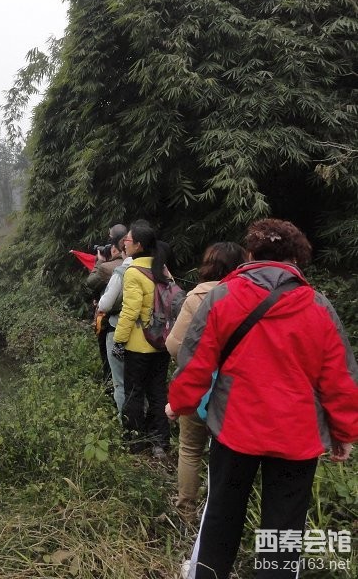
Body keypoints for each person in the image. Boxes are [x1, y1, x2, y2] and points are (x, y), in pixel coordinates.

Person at [166, 219, 358, 579]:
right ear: (297, 260)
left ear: (251, 254)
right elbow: (340, 380)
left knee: (222, 514)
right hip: (296, 436)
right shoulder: (318, 307)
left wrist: (180, 404)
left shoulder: (223, 296)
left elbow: (196, 361)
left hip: (234, 429)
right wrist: (344, 433)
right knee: (283, 532)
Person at [164, 241, 247, 524]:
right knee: (228, 452)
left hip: (198, 386)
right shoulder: (251, 296)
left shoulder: (197, 297)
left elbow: (174, 345)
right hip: (238, 390)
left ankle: (186, 510)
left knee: (189, 448)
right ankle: (220, 512)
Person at [111, 220, 173, 457]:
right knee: (158, 392)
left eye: (127, 240)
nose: (124, 243)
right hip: (162, 343)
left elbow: (130, 310)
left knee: (134, 393)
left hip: (138, 345)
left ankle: (135, 442)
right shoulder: (162, 269)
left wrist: (118, 340)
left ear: (137, 245)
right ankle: (161, 442)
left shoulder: (134, 271)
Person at [87, 224, 128, 385]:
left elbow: (91, 283)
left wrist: (99, 262)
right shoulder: (140, 264)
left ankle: (111, 390)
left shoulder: (108, 267)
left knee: (110, 362)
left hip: (111, 322)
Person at [96, 234, 132, 416]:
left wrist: (99, 262)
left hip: (117, 329)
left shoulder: (119, 271)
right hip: (147, 334)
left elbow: (104, 304)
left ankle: (125, 424)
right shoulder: (158, 269)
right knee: (141, 382)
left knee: (120, 381)